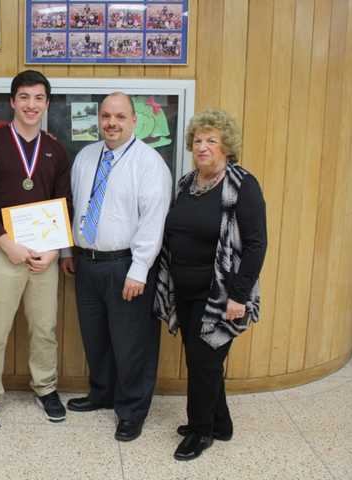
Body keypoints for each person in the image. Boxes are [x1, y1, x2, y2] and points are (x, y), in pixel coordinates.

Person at [154, 109, 267, 460]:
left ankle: (200, 432)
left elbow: (255, 244)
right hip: (184, 291)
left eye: (211, 141)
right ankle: (221, 422)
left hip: (219, 295)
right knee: (203, 361)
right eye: (198, 140)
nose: (202, 147)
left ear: (227, 147)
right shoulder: (188, 183)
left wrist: (238, 295)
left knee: (204, 363)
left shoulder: (242, 185)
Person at [60, 92, 172, 442]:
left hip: (127, 266)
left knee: (132, 343)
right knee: (96, 338)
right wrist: (67, 250)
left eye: (120, 117)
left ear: (134, 121)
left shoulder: (149, 162)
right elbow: (75, 206)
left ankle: (132, 410)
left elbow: (153, 222)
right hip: (87, 263)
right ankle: (102, 393)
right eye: (106, 116)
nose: (112, 123)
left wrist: (139, 269)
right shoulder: (86, 157)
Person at [0, 70, 71, 430]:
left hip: (45, 257)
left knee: (44, 328)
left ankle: (45, 387)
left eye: (38, 98)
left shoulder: (56, 150)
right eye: (24, 97)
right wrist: (5, 243)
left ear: (46, 104)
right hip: (2, 252)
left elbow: (63, 202)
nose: (31, 105)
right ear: (12, 101)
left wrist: (56, 251)